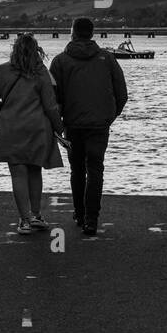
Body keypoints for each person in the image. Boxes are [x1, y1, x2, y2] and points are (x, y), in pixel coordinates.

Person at [49, 17, 128, 236]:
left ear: (72, 32)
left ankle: (79, 212)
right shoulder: (107, 59)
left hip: (72, 125)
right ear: (92, 34)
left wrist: (58, 124)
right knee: (96, 170)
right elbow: (122, 94)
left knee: (77, 170)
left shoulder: (60, 61)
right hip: (99, 125)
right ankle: (91, 219)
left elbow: (52, 98)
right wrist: (109, 116)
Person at [0, 33, 65, 234]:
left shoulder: (3, 70)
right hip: (38, 129)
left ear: (15, 49)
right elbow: (50, 106)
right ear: (36, 50)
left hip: (11, 129)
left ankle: (24, 220)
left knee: (18, 174)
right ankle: (37, 215)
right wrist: (60, 129)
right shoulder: (41, 72)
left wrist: (7, 105)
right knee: (35, 171)